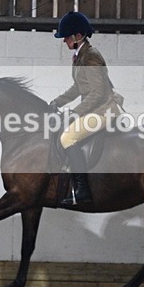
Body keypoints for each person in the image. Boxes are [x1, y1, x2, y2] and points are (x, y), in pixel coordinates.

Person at [49, 11, 123, 205]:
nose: (64, 40)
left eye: (66, 37)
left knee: (68, 137)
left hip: (104, 109)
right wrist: (58, 101)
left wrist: (75, 113)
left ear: (78, 36)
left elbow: (97, 93)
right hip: (96, 108)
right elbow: (79, 87)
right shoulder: (80, 55)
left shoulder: (91, 57)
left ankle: (82, 190)